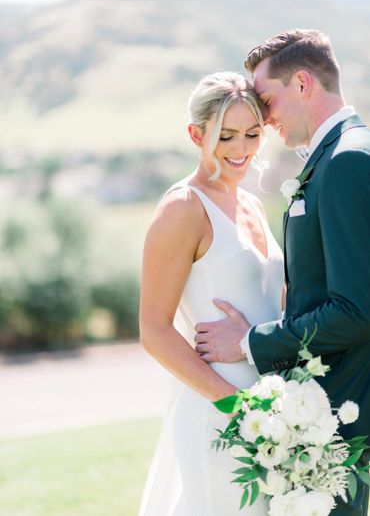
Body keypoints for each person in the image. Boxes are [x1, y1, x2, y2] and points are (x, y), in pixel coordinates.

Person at [194, 29, 370, 515]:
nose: (263, 117)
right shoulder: (335, 157)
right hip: (316, 412)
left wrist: (251, 341)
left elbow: (356, 310)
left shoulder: (346, 161)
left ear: (302, 83)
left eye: (266, 100)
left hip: (341, 414)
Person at [139, 72, 284, 515]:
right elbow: (154, 330)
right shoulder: (183, 208)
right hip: (217, 413)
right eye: (226, 136)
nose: (241, 149)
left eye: (252, 134)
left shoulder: (254, 205)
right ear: (195, 134)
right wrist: (235, 406)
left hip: (275, 410)